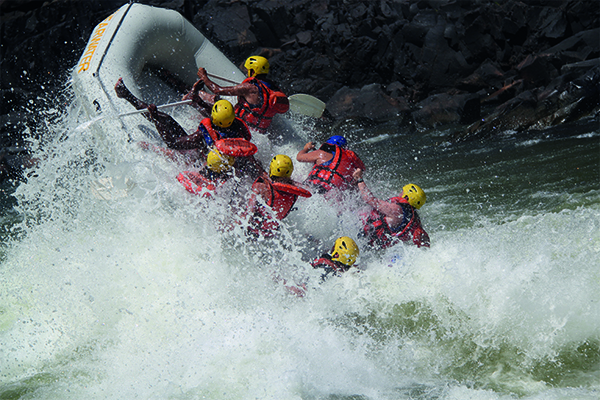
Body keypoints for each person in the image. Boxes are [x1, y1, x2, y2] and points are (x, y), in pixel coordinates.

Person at [115, 79, 263, 178]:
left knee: (164, 119)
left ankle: (126, 95)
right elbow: (212, 115)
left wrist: (155, 119)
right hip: (224, 166)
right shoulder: (237, 126)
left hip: (197, 162)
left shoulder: (202, 137)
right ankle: (194, 99)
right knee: (166, 118)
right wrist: (197, 101)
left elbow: (172, 143)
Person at [185, 56, 289, 134]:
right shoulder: (274, 89)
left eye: (248, 69)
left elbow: (217, 90)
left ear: (253, 70)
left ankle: (194, 100)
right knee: (216, 100)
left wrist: (204, 77)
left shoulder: (250, 88)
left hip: (237, 126)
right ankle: (199, 96)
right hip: (257, 133)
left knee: (219, 110)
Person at [353, 168, 430, 249]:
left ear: (406, 197)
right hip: (375, 245)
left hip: (363, 237)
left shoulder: (396, 210)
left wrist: (359, 179)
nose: (400, 193)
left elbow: (369, 199)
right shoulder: (414, 221)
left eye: (402, 192)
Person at [245, 154, 312, 238]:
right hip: (272, 233)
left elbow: (249, 212)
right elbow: (308, 190)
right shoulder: (295, 191)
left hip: (253, 232)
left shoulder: (260, 186)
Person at [296, 135, 365, 195]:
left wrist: (306, 148)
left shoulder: (321, 154)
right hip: (331, 195)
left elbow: (299, 157)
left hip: (311, 188)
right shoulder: (351, 167)